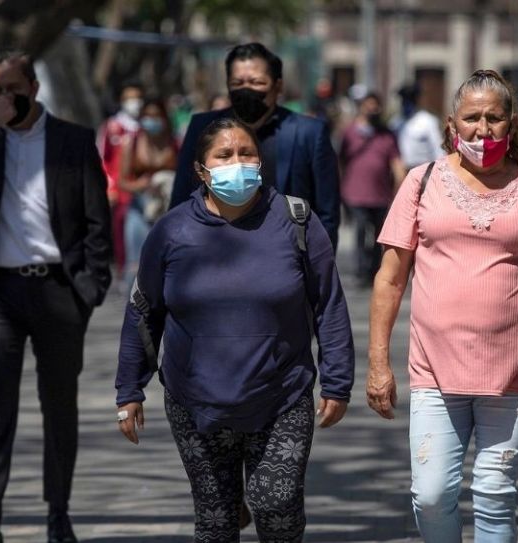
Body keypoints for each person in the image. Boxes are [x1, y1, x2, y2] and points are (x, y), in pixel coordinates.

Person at [366, 70, 518, 543]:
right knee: (431, 495)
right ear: (453, 124)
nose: (482, 129)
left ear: (511, 125)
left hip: (512, 373)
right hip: (434, 371)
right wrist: (377, 362)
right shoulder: (421, 181)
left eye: (494, 118)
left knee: (495, 492)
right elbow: (390, 278)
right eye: (472, 118)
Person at [115, 117, 354, 542]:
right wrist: (129, 390)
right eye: (224, 155)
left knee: (274, 502)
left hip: (282, 397)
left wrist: (337, 381)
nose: (237, 162)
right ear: (201, 170)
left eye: (246, 153)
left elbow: (329, 306)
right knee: (215, 521)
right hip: (196, 404)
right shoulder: (172, 230)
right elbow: (143, 311)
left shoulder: (296, 221)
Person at [0, 47, 112, 543]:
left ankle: (58, 513)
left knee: (59, 406)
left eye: (12, 89)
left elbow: (97, 220)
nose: (2, 98)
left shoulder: (73, 141)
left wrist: (91, 288)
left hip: (59, 288)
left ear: (33, 88)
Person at [167, 42, 341, 248]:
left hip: (284, 256)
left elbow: (327, 212)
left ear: (277, 86)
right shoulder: (202, 126)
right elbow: (181, 198)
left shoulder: (309, 133)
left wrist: (316, 268)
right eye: (238, 82)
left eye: (256, 82)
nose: (246, 90)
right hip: (213, 251)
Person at [340, 91, 407, 284]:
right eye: (369, 105)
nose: (372, 109)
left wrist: (399, 187)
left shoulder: (387, 135)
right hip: (355, 192)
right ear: (361, 107)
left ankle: (374, 269)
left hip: (380, 194)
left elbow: (397, 163)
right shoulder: (349, 132)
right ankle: (361, 269)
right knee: (361, 229)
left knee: (379, 234)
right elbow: (341, 160)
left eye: (376, 106)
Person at [119, 98, 178, 291]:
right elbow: (121, 180)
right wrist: (141, 185)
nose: (151, 120)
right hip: (139, 207)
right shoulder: (132, 142)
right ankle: (133, 308)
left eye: (156, 116)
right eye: (147, 116)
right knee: (136, 261)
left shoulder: (174, 142)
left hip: (168, 209)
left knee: (167, 259)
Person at [97, 82, 144, 284]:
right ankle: (127, 279)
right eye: (130, 98)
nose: (135, 103)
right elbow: (101, 158)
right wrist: (109, 188)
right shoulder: (112, 127)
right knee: (122, 239)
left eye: (137, 97)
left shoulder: (147, 125)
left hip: (144, 193)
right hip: (121, 194)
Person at [394, 82, 446, 170]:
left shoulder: (428, 121)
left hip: (422, 169)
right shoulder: (395, 123)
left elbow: (438, 150)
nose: (407, 103)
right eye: (404, 100)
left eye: (410, 100)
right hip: (401, 171)